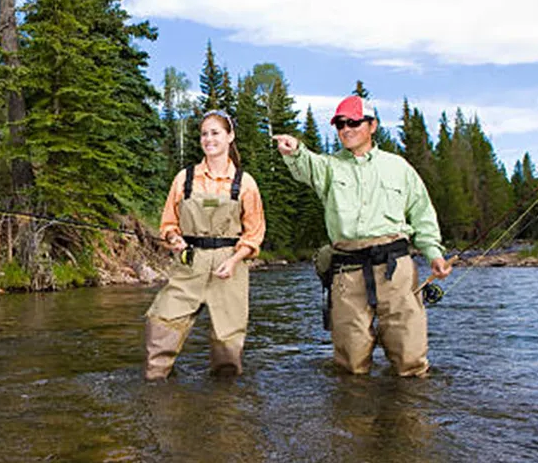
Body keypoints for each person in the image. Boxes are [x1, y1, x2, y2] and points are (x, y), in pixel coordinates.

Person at [273, 95, 451, 377]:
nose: (346, 129)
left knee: (410, 360)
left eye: (353, 122)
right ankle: (354, 419)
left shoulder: (399, 167)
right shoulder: (328, 167)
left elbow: (422, 214)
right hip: (347, 272)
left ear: (372, 125)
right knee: (350, 365)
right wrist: (293, 151)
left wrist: (434, 255)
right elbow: (304, 164)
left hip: (396, 269)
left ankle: (411, 418)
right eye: (340, 124)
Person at [144, 109, 266, 381]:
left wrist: (234, 261)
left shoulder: (245, 183)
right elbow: (168, 224)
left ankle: (225, 404)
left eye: (215, 133)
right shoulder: (184, 178)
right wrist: (174, 239)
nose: (208, 139)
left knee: (228, 343)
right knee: (161, 322)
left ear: (230, 136)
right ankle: (156, 392)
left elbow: (255, 234)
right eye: (204, 134)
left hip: (230, 264)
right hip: (190, 261)